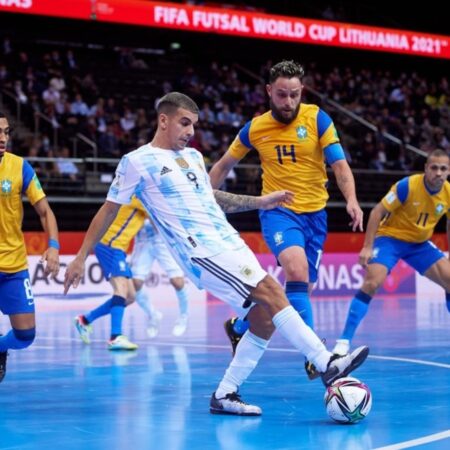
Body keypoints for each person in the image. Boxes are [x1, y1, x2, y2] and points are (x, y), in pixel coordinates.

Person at [64, 92, 369, 416]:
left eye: (194, 125)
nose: (190, 131)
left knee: (264, 319)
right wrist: (82, 256)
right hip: (200, 251)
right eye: (184, 123)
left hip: (230, 242)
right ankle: (326, 363)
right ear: (163, 120)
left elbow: (212, 199)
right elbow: (108, 210)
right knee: (274, 292)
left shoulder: (193, 158)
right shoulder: (138, 161)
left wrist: (259, 202)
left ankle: (225, 394)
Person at [208, 60, 363, 378]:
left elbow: (340, 166)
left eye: (294, 94)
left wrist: (351, 200)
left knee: (299, 289)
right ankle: (315, 356)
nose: (288, 102)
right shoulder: (255, 128)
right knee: (296, 270)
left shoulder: (317, 118)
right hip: (278, 212)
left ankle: (240, 326)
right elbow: (223, 165)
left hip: (316, 216)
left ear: (301, 91)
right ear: (269, 91)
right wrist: (204, 196)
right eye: (281, 95)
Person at [333, 149, 450, 355]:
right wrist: (368, 246)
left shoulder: (448, 192)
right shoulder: (407, 186)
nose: (438, 173)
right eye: (434, 168)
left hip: (420, 245)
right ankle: (343, 341)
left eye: (443, 169)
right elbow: (377, 212)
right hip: (391, 240)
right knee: (372, 282)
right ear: (426, 169)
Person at [0, 112, 60, 382]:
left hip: (13, 265)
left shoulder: (20, 167)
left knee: (25, 336)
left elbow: (45, 211)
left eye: (6, 132)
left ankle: (1, 347)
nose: (2, 138)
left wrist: (54, 246)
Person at [73, 196, 146, 350]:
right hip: (110, 244)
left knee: (130, 296)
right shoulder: (140, 197)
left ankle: (84, 320)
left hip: (117, 248)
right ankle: (115, 337)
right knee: (121, 289)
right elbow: (158, 217)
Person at [130, 218, 190, 338]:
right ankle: (153, 315)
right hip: (142, 240)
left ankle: (184, 316)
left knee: (177, 282)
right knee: (135, 284)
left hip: (163, 241)